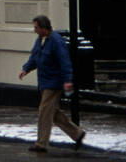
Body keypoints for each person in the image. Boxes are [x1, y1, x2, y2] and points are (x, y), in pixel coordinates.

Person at [19, 14, 85, 153]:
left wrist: (67, 80)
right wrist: (26, 69)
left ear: (44, 27)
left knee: (44, 111)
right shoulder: (41, 40)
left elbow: (65, 62)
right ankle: (77, 134)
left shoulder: (56, 41)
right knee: (53, 113)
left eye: (36, 27)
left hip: (54, 82)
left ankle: (41, 143)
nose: (34, 30)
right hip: (45, 81)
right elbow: (35, 57)